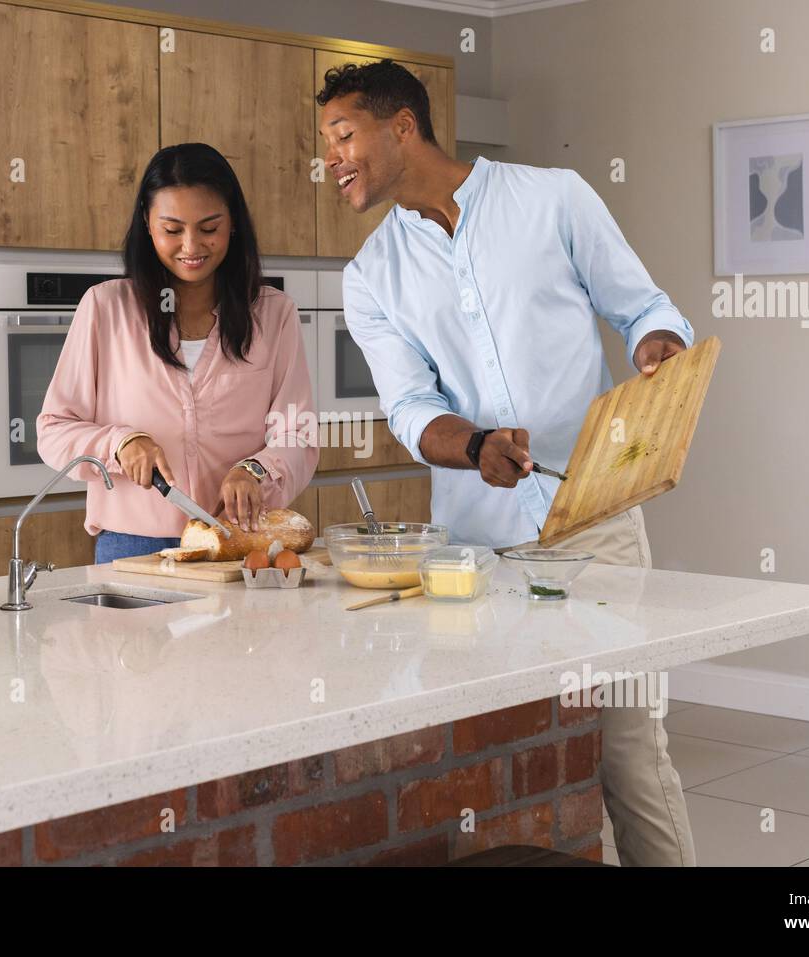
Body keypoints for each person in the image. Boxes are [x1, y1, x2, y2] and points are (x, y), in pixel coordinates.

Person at [317, 60, 697, 866]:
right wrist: (474, 446)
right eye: (326, 142)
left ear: (402, 126)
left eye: (343, 136)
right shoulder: (371, 275)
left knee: (627, 753)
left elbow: (643, 307)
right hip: (477, 554)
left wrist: (657, 346)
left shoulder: (553, 198)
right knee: (506, 758)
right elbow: (410, 408)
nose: (331, 158)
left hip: (595, 525)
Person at [37, 143, 318, 563]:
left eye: (209, 228)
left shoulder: (274, 314)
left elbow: (298, 435)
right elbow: (54, 431)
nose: (191, 246)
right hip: (132, 547)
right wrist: (121, 443)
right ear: (147, 224)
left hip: (236, 543)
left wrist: (255, 470)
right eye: (172, 230)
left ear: (233, 223)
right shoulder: (105, 308)